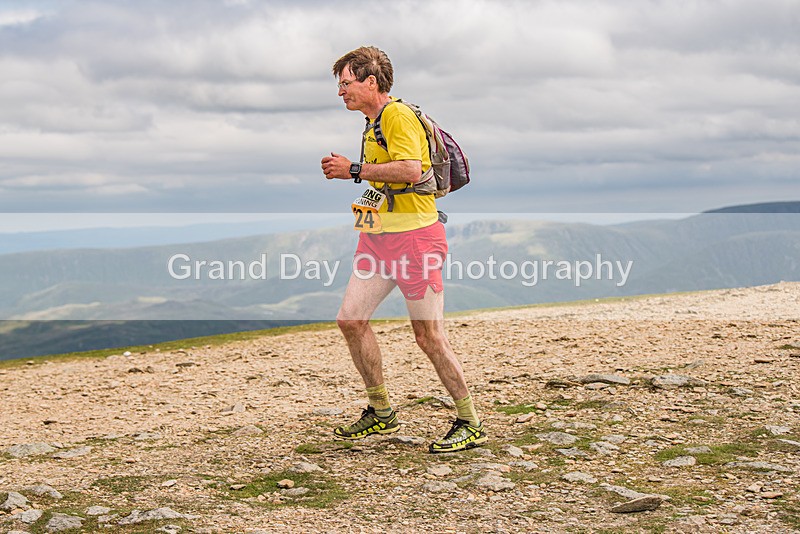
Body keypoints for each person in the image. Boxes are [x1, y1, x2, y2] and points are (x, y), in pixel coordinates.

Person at [320, 46, 486, 453]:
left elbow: (413, 169)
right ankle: (381, 412)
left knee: (428, 337)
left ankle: (469, 420)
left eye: (346, 83)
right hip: (378, 238)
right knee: (350, 320)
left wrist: (354, 171)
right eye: (339, 85)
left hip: (415, 239)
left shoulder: (396, 115)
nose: (341, 92)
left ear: (370, 82)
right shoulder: (371, 122)